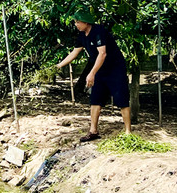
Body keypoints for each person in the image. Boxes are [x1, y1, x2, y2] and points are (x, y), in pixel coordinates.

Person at [56, 11, 131, 142]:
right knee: (95, 99)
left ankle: (128, 132)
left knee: (121, 98)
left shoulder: (99, 31)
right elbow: (75, 52)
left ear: (86, 22)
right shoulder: (81, 35)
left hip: (115, 69)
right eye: (75, 22)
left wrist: (91, 73)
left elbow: (102, 54)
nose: (76, 24)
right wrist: (58, 66)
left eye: (78, 22)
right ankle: (93, 131)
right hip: (100, 70)